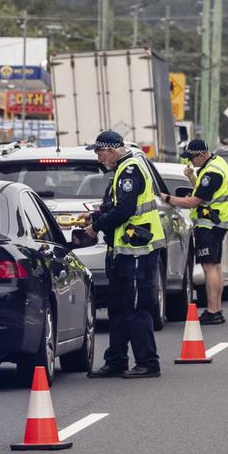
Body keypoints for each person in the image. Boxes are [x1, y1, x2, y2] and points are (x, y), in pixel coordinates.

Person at [80, 131, 163, 378]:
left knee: (137, 307)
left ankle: (148, 362)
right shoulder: (122, 170)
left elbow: (125, 210)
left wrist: (96, 226)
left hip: (138, 250)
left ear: (113, 149)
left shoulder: (130, 170)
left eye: (100, 151)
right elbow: (117, 207)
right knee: (117, 307)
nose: (98, 157)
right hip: (122, 251)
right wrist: (97, 216)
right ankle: (116, 360)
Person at [165, 138, 228, 324]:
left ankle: (212, 311)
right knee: (216, 267)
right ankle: (217, 309)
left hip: (208, 224)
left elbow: (193, 201)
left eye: (192, 158)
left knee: (209, 267)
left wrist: (167, 198)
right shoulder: (218, 164)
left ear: (202, 154)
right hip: (218, 223)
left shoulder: (211, 173)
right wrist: (192, 177)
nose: (191, 162)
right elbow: (204, 192)